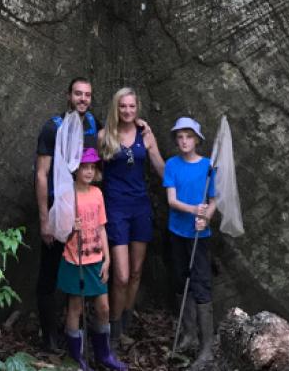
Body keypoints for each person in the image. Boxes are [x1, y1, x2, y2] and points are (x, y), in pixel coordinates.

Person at [34, 78, 100, 352]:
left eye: (87, 95)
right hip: (57, 208)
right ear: (68, 96)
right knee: (50, 271)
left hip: (84, 210)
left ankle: (73, 333)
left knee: (78, 269)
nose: (82, 99)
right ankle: (48, 337)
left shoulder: (92, 126)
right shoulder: (53, 127)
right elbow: (41, 174)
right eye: (78, 94)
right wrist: (44, 220)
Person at [97, 87, 165, 346]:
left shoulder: (145, 136)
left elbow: (159, 167)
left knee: (136, 272)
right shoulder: (105, 136)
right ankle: (112, 331)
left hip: (140, 208)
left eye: (132, 107)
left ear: (137, 109)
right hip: (115, 209)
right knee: (121, 274)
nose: (127, 111)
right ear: (117, 108)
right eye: (123, 106)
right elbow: (91, 169)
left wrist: (188, 181)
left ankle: (124, 324)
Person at [57, 148, 128, 371]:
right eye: (84, 167)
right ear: (76, 169)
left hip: (95, 257)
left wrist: (107, 259)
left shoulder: (97, 193)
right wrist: (70, 227)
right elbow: (60, 232)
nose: (88, 171)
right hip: (75, 259)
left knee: (104, 308)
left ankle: (104, 354)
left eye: (92, 167)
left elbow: (101, 227)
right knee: (75, 308)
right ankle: (77, 358)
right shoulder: (67, 195)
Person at [164, 117, 217, 369]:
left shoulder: (208, 166)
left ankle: (207, 346)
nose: (184, 141)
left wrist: (205, 217)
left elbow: (214, 199)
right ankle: (189, 334)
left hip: (199, 236)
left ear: (197, 140)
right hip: (177, 232)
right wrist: (195, 209)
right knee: (179, 280)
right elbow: (172, 200)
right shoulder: (172, 165)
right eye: (180, 137)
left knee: (201, 284)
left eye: (189, 136)